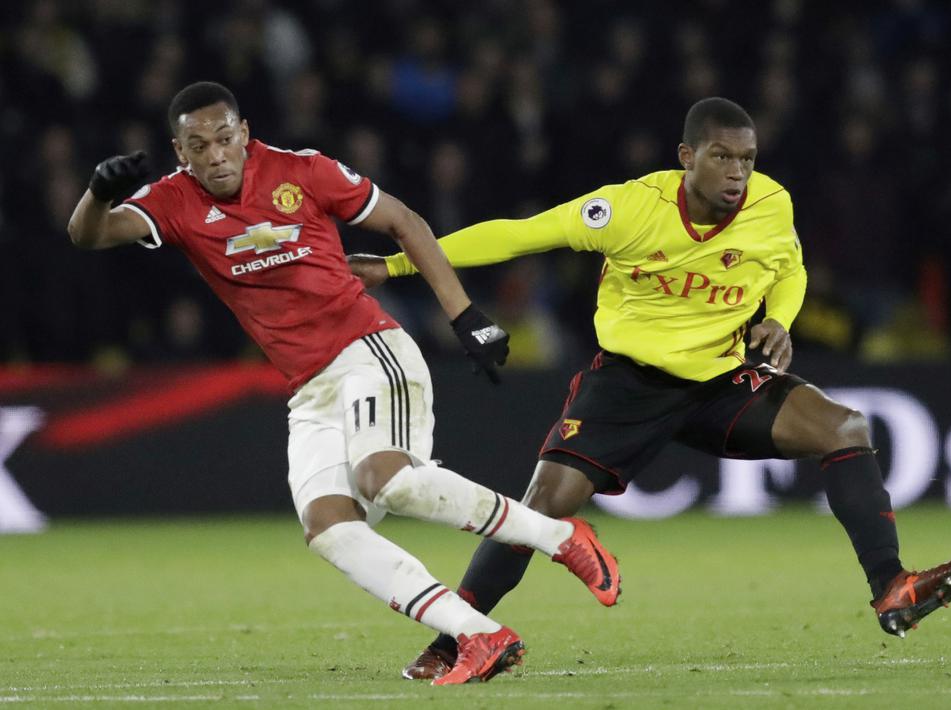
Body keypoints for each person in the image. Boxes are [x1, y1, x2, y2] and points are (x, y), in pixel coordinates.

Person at [349, 97, 951, 681]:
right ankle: (456, 639)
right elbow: (518, 233)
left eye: (748, 159)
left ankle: (892, 586)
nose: (738, 173)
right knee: (543, 506)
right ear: (687, 158)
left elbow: (789, 268)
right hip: (627, 385)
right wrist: (398, 264)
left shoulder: (769, 205)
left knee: (844, 428)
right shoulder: (629, 208)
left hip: (721, 382)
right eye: (723, 157)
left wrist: (780, 319)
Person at [65, 81, 622, 686]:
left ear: (244, 134)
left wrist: (464, 316)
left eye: (225, 139)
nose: (216, 155)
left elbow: (404, 222)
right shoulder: (172, 200)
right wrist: (98, 193)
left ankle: (559, 537)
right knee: (329, 526)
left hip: (368, 349)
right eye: (199, 146)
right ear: (181, 151)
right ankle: (480, 634)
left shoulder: (303, 171)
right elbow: (87, 235)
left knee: (385, 478)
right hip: (308, 387)